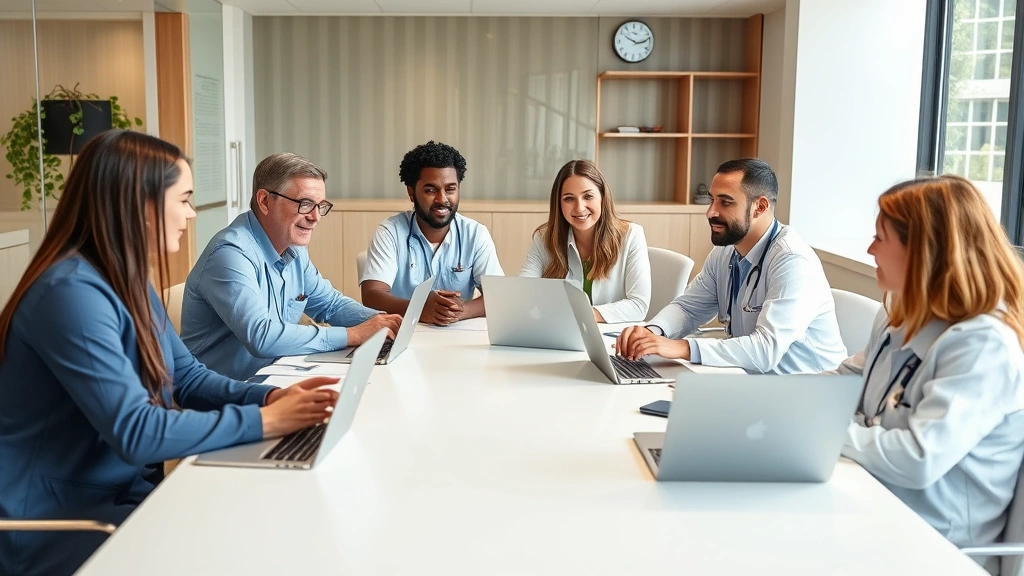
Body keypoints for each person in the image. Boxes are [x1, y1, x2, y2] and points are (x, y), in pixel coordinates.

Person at [0, 131, 339, 576]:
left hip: (123, 489)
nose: (191, 213)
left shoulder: (127, 279)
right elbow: (136, 431)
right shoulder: (69, 295)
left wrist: (269, 400)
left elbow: (189, 379)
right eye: (183, 199)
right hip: (60, 520)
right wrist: (267, 422)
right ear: (136, 203)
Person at [837, 175, 1024, 574]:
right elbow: (844, 386)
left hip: (934, 549)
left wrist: (820, 431)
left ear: (924, 251)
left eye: (880, 239)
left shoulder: (983, 343)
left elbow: (919, 458)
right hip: (873, 507)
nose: (870, 249)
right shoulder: (898, 317)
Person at [181, 153, 401, 381]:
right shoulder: (230, 254)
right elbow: (262, 337)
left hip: (277, 375)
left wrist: (385, 321)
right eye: (305, 204)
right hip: (221, 395)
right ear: (264, 201)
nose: (315, 217)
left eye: (320, 206)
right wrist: (353, 335)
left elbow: (330, 305)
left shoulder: (294, 249)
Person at [615, 158, 846, 374]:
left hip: (807, 393)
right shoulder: (725, 252)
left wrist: (681, 348)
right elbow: (688, 309)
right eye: (712, 200)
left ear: (760, 207)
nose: (711, 212)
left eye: (725, 202)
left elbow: (765, 351)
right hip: (750, 382)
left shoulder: (792, 261)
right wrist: (651, 333)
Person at [360, 141, 504, 326]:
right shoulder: (390, 231)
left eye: (450, 189)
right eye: (430, 190)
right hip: (403, 334)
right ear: (411, 192)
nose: (442, 199)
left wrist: (459, 311)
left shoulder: (475, 234)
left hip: (458, 336)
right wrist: (418, 308)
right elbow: (372, 295)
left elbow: (499, 296)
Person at [520, 159, 650, 322]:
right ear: (559, 203)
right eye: (569, 199)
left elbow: (638, 306)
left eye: (588, 196)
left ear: (602, 197)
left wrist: (580, 314)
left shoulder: (632, 235)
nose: (579, 208)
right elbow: (523, 294)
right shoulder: (545, 238)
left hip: (611, 340)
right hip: (560, 335)